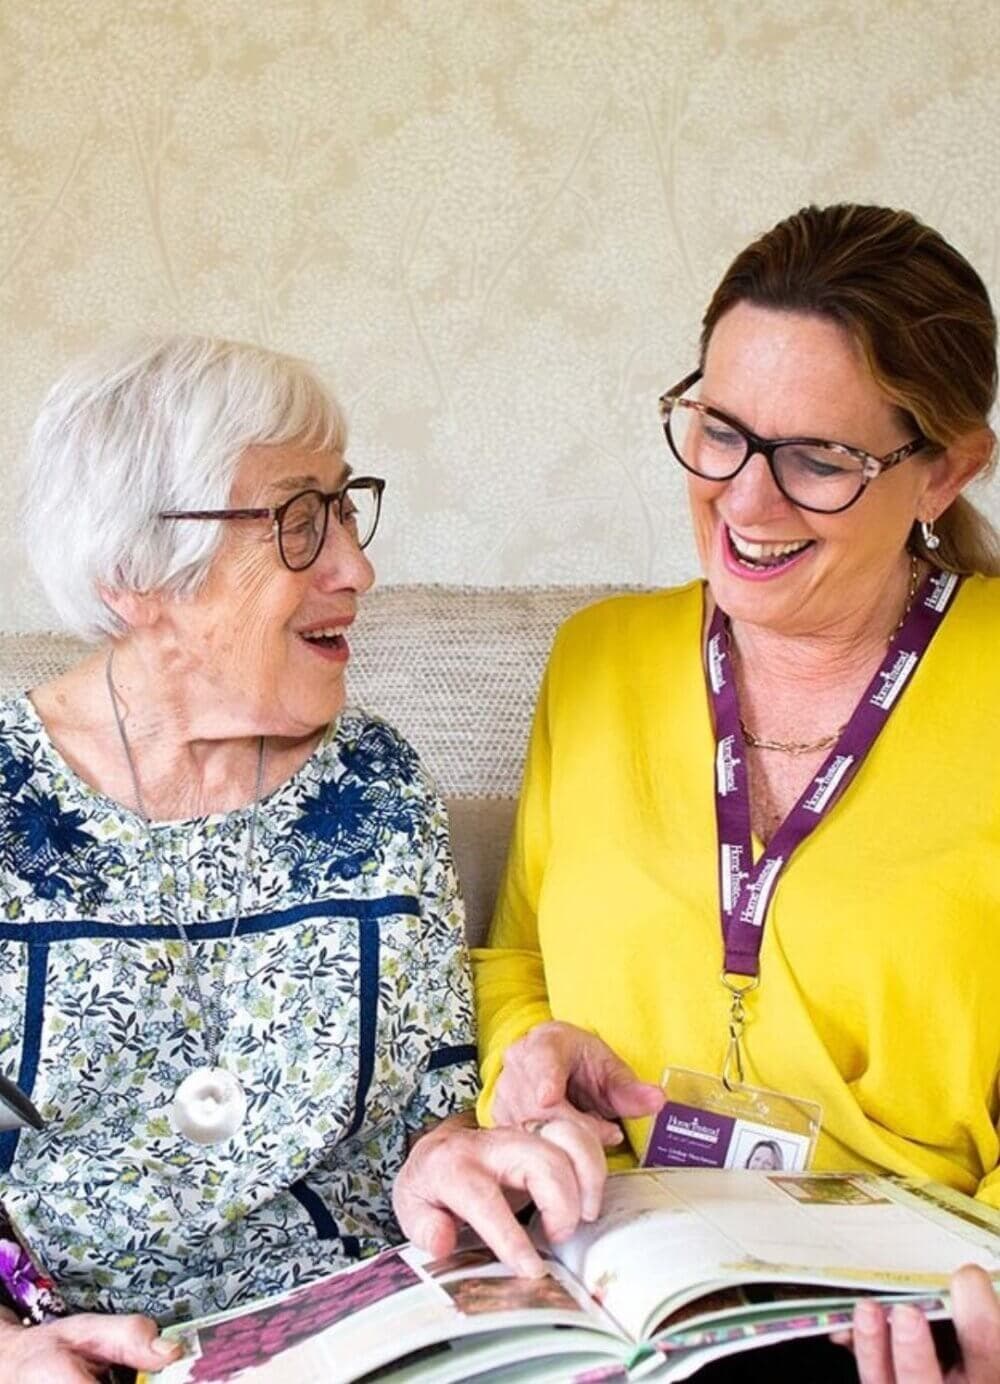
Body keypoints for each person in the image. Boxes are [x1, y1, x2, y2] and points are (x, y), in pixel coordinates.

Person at [0, 334, 601, 1382]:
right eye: (295, 522)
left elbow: (431, 1112)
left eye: (341, 506)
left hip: (378, 1335)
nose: (355, 566)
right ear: (138, 574)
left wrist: (451, 1158)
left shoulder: (368, 782)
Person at [473, 205, 1000, 1382]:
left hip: (901, 1312)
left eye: (819, 459)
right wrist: (527, 1055)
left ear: (947, 468)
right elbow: (513, 964)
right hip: (612, 1279)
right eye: (718, 431)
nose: (744, 503)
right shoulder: (597, 658)